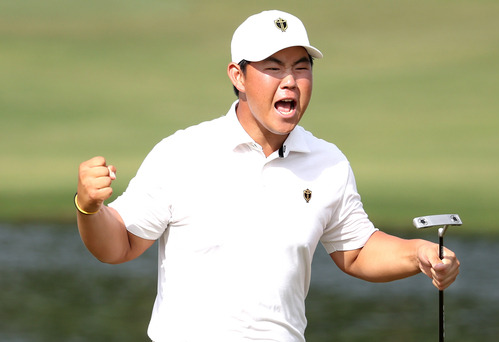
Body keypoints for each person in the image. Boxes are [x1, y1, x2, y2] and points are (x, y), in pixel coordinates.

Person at [75, 10, 460, 342]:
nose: (289, 81)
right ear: (238, 76)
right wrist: (90, 207)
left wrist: (420, 254)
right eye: (273, 67)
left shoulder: (327, 162)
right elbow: (119, 245)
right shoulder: (183, 153)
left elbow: (357, 251)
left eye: (301, 66)